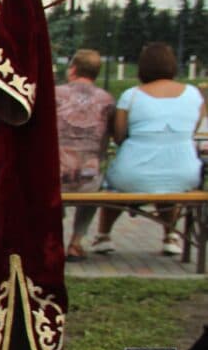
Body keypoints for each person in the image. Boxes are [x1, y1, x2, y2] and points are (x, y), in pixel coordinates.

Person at [93, 42, 206, 256]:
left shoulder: (131, 95)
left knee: (114, 187)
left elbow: (119, 136)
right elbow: (191, 130)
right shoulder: (193, 94)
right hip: (183, 171)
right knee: (168, 185)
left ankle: (103, 236)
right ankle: (170, 236)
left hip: (133, 173)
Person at [56, 49, 114, 262]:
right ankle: (76, 242)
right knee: (95, 182)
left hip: (56, 177)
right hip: (88, 179)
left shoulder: (55, 94)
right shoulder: (107, 99)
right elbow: (108, 138)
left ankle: (55, 238)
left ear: (72, 69)